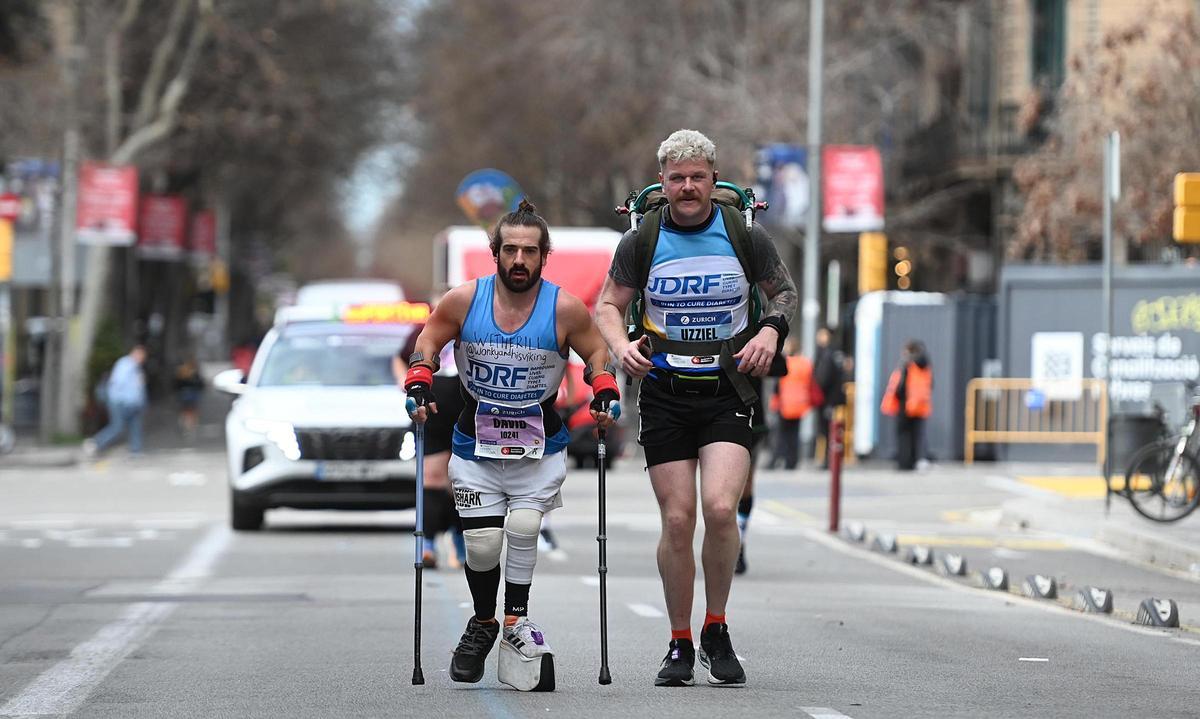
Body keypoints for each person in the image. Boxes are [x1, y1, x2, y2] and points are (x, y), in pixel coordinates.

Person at [595, 129, 797, 687]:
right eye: (678, 178)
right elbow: (607, 305)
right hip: (662, 390)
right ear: (663, 182)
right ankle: (679, 642)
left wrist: (770, 333)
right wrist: (620, 348)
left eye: (698, 177)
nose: (688, 187)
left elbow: (782, 294)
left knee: (722, 509)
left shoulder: (740, 233)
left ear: (713, 178)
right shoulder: (644, 240)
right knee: (679, 518)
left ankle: (717, 626)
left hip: (727, 389)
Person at [403, 200, 619, 690]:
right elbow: (428, 340)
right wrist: (420, 376)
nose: (519, 260)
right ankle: (483, 622)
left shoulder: (563, 307)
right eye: (510, 251)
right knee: (481, 545)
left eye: (530, 252)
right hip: (474, 442)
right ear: (495, 254)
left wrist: (604, 386)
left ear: (545, 256)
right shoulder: (464, 300)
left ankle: (517, 623)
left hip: (538, 446)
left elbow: (596, 352)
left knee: (522, 527)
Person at [393, 315, 467, 570]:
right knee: (433, 479)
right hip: (432, 409)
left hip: (467, 407)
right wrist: (408, 385)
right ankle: (427, 544)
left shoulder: (473, 326)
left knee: (462, 481)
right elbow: (400, 358)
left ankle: (461, 539)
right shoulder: (423, 329)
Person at [83, 344, 148, 458]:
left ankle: (135, 451)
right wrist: (120, 400)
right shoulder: (125, 364)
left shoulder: (135, 367)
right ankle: (95, 443)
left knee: (135, 426)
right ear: (135, 353)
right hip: (120, 402)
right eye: (141, 356)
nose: (142, 359)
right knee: (117, 427)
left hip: (132, 404)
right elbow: (117, 383)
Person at [881, 339, 932, 471]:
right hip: (920, 406)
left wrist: (897, 398)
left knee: (903, 435)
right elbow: (931, 384)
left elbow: (900, 387)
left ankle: (904, 463)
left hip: (905, 406)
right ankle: (915, 461)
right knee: (916, 436)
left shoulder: (906, 364)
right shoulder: (926, 365)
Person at [769, 337, 813, 470]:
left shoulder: (785, 363)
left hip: (785, 403)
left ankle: (777, 459)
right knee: (795, 434)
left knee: (781, 434)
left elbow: (777, 385)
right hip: (800, 403)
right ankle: (792, 462)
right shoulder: (805, 363)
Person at [812, 328, 846, 468]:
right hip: (832, 397)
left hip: (827, 399)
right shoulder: (834, 353)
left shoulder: (827, 354)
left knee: (827, 430)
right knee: (829, 429)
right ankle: (831, 459)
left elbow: (824, 378)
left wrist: (816, 388)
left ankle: (829, 460)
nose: (819, 337)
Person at [174, 358, 205, 441]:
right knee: (192, 412)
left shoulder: (181, 372)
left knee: (185, 412)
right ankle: (190, 427)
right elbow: (201, 384)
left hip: (183, 395)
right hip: (193, 395)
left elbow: (176, 385)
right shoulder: (194, 373)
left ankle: (185, 425)